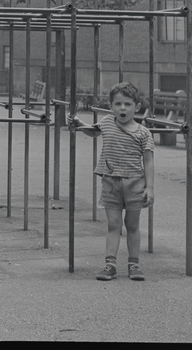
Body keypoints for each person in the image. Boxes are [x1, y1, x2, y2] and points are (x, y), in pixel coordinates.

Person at [68, 81, 154, 281]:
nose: (122, 108)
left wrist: (150, 187)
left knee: (132, 225)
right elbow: (93, 131)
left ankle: (134, 264)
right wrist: (79, 124)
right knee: (113, 224)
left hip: (135, 183)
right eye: (118, 104)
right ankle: (110, 265)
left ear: (137, 107)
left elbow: (149, 162)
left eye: (127, 104)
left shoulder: (143, 133)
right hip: (110, 182)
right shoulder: (107, 122)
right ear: (111, 106)